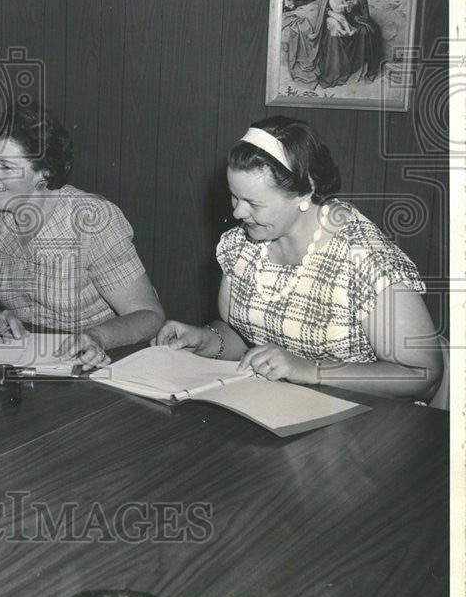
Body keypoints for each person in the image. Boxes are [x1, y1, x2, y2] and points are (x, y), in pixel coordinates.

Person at [153, 116, 442, 401]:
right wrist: (205, 339)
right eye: (234, 196)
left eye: (254, 203)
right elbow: (244, 340)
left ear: (306, 191)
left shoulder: (364, 257)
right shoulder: (242, 243)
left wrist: (313, 371)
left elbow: (421, 374)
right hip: (283, 408)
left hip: (369, 419)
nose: (238, 213)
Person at [0, 102, 164, 370]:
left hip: (97, 361)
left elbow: (149, 315)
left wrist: (98, 337)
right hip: (21, 359)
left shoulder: (91, 219)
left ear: (44, 172)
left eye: (5, 166)